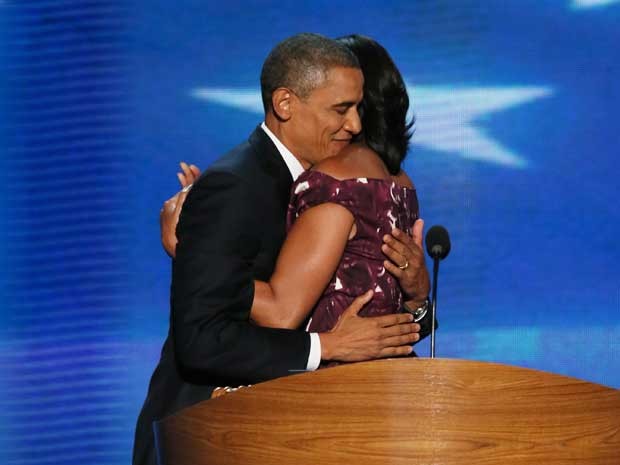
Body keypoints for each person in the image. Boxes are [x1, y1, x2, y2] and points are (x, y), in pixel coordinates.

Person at [134, 33, 428, 465]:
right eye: (341, 109)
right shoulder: (235, 185)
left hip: (288, 430)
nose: (355, 125)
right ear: (286, 104)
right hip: (206, 431)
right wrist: (326, 347)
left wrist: (418, 294)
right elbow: (203, 341)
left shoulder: (334, 187)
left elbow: (368, 317)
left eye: (358, 108)